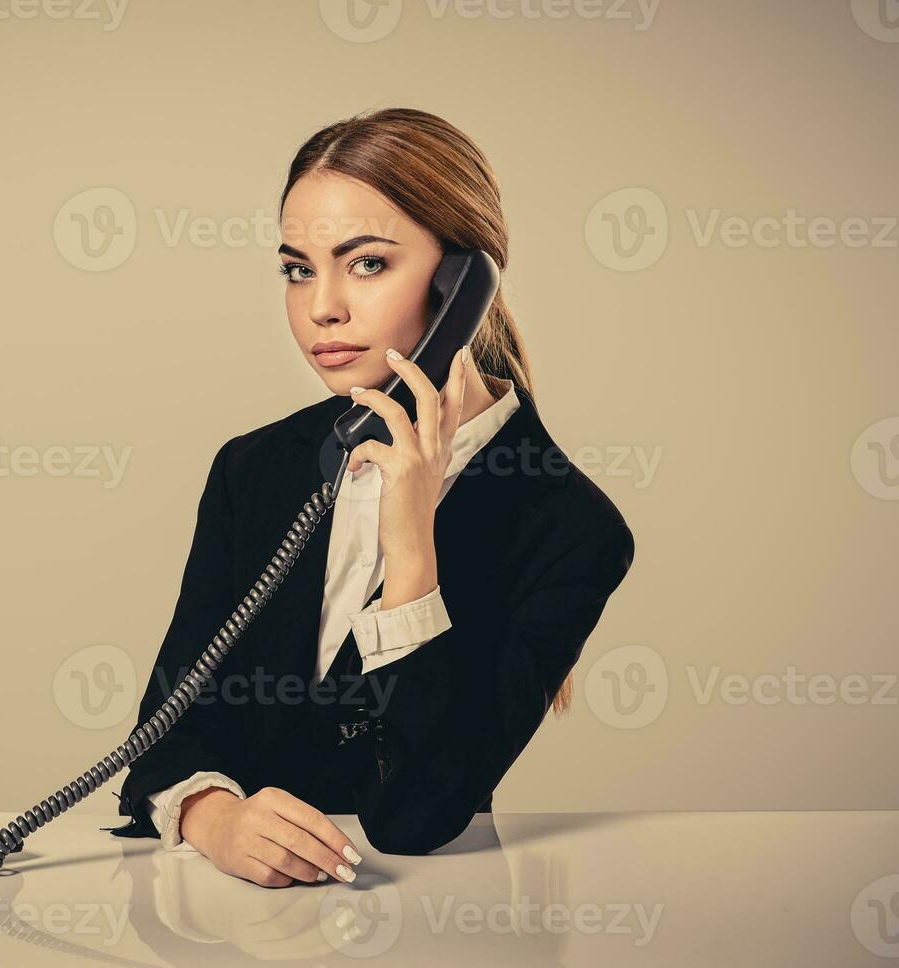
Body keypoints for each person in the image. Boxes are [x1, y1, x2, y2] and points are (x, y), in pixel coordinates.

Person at [109, 108, 636, 888]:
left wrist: (411, 546)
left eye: (365, 264)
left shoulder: (570, 527)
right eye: (297, 268)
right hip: (234, 930)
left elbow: (416, 819)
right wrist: (215, 820)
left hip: (433, 924)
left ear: (466, 282)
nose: (321, 305)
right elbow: (167, 729)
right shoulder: (255, 468)